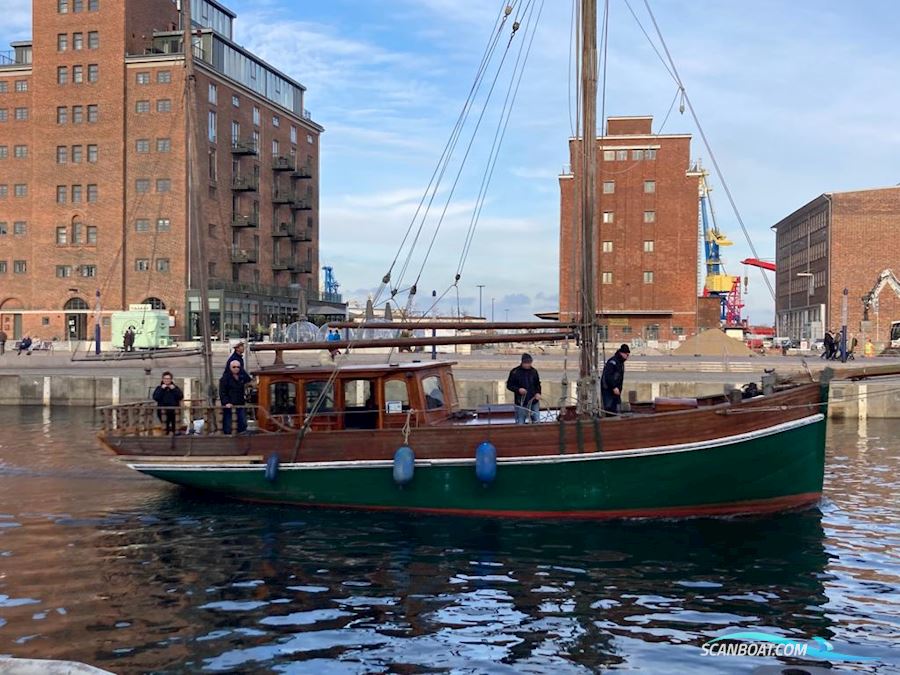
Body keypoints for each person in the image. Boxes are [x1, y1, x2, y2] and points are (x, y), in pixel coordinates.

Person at [506, 353, 542, 424]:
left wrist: (538, 393)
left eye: (529, 363)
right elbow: (509, 385)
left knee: (537, 421)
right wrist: (518, 390)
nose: (528, 365)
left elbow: (537, 384)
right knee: (520, 422)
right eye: (526, 363)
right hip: (521, 403)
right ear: (522, 362)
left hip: (533, 401)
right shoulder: (515, 372)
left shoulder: (534, 371)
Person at [220, 359, 251, 435]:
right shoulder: (225, 378)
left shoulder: (241, 376)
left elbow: (248, 379)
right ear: (230, 367)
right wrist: (226, 402)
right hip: (229, 403)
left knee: (243, 421)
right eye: (234, 367)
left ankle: (242, 433)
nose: (236, 368)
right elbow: (222, 392)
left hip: (240, 402)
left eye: (238, 367)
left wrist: (242, 370)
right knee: (228, 422)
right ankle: (227, 435)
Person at [601, 344, 630, 415]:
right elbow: (608, 376)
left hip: (616, 389)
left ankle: (615, 416)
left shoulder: (620, 362)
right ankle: (610, 419)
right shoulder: (613, 362)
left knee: (617, 406)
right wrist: (614, 387)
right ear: (622, 353)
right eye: (627, 355)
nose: (627, 357)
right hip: (608, 388)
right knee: (609, 407)